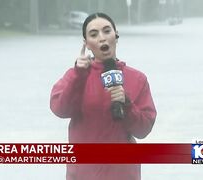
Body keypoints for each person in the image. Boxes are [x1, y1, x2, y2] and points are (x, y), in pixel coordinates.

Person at [50, 12, 157, 180]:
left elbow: (143, 129)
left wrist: (126, 103)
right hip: (83, 173)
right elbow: (60, 109)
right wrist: (79, 75)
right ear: (86, 43)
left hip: (123, 173)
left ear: (116, 35)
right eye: (94, 34)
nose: (102, 38)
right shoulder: (75, 76)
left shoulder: (137, 79)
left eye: (107, 31)